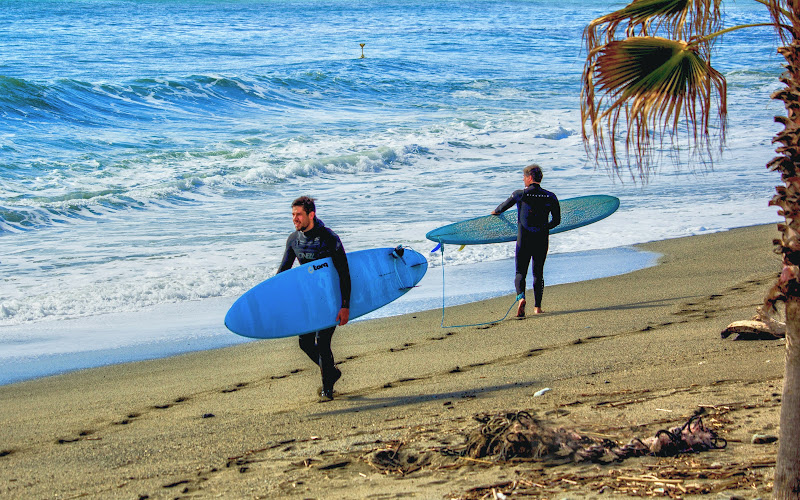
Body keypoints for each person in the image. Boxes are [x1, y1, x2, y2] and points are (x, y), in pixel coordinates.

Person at [278, 196, 351, 402]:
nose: (295, 219)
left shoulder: (330, 238)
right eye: (292, 215)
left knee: (323, 341)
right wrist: (275, 299)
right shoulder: (294, 240)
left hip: (331, 297)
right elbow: (283, 272)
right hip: (310, 299)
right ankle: (331, 372)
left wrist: (345, 305)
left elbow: (344, 273)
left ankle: (327, 389)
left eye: (298, 214)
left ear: (311, 214)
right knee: (305, 342)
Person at [492, 164, 560, 317]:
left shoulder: (519, 194)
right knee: (538, 273)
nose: (523, 180)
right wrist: (544, 228)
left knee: (520, 272)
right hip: (541, 239)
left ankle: (521, 298)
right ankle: (537, 308)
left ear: (529, 178)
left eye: (524, 177)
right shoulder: (551, 196)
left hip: (524, 239)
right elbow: (557, 221)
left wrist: (494, 213)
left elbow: (500, 208)